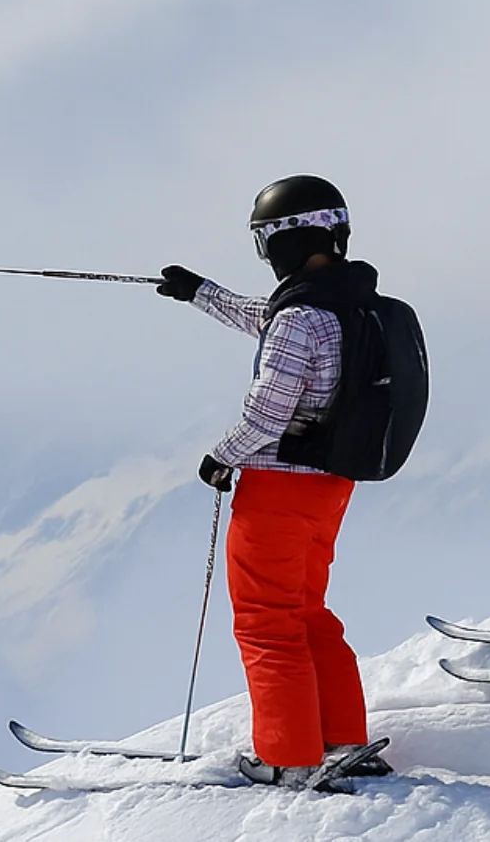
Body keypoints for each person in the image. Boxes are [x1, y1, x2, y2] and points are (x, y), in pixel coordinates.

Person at [156, 174, 388, 791]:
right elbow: (269, 318)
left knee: (265, 620)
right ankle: (343, 740)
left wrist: (219, 457)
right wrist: (199, 292)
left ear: (284, 239)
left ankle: (288, 757)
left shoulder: (302, 317)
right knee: (309, 613)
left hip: (279, 490)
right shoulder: (351, 303)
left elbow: (266, 414)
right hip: (331, 484)